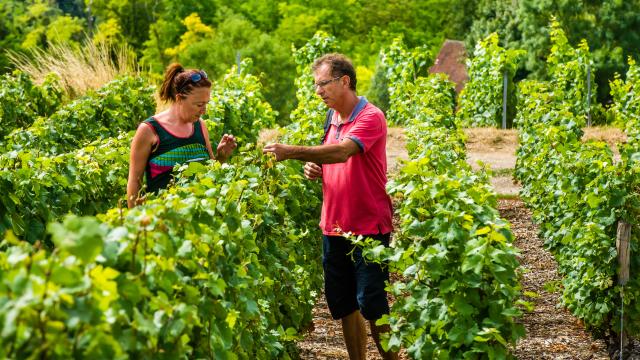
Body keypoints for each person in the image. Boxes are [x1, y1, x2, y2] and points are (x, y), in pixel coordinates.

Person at [263, 53, 397, 360]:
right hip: (334, 225)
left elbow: (342, 152)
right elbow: (331, 160)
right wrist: (315, 168)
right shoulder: (331, 118)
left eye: (323, 84)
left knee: (373, 305)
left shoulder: (370, 116)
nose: (318, 91)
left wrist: (290, 152)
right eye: (316, 85)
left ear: (344, 81)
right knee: (345, 304)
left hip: (368, 226)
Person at [127, 63, 237, 208]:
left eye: (206, 104)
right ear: (179, 99)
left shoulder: (200, 126)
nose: (204, 110)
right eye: (198, 105)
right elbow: (135, 182)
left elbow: (211, 174)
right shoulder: (149, 130)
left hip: (199, 219)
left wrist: (221, 157)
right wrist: (135, 224)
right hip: (163, 221)